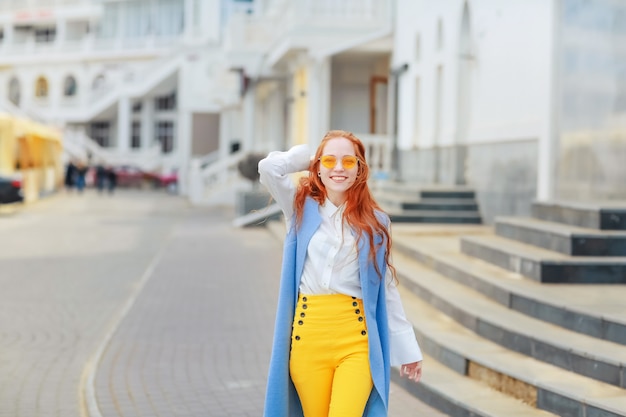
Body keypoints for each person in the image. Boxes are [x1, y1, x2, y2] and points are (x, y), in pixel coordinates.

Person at [258, 130, 423, 417]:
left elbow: (386, 289)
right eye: (330, 161)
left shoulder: (375, 222)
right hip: (308, 339)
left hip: (356, 340)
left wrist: (407, 349)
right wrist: (309, 160)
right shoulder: (299, 208)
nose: (338, 168)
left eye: (348, 162)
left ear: (360, 169)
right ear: (318, 166)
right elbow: (269, 169)